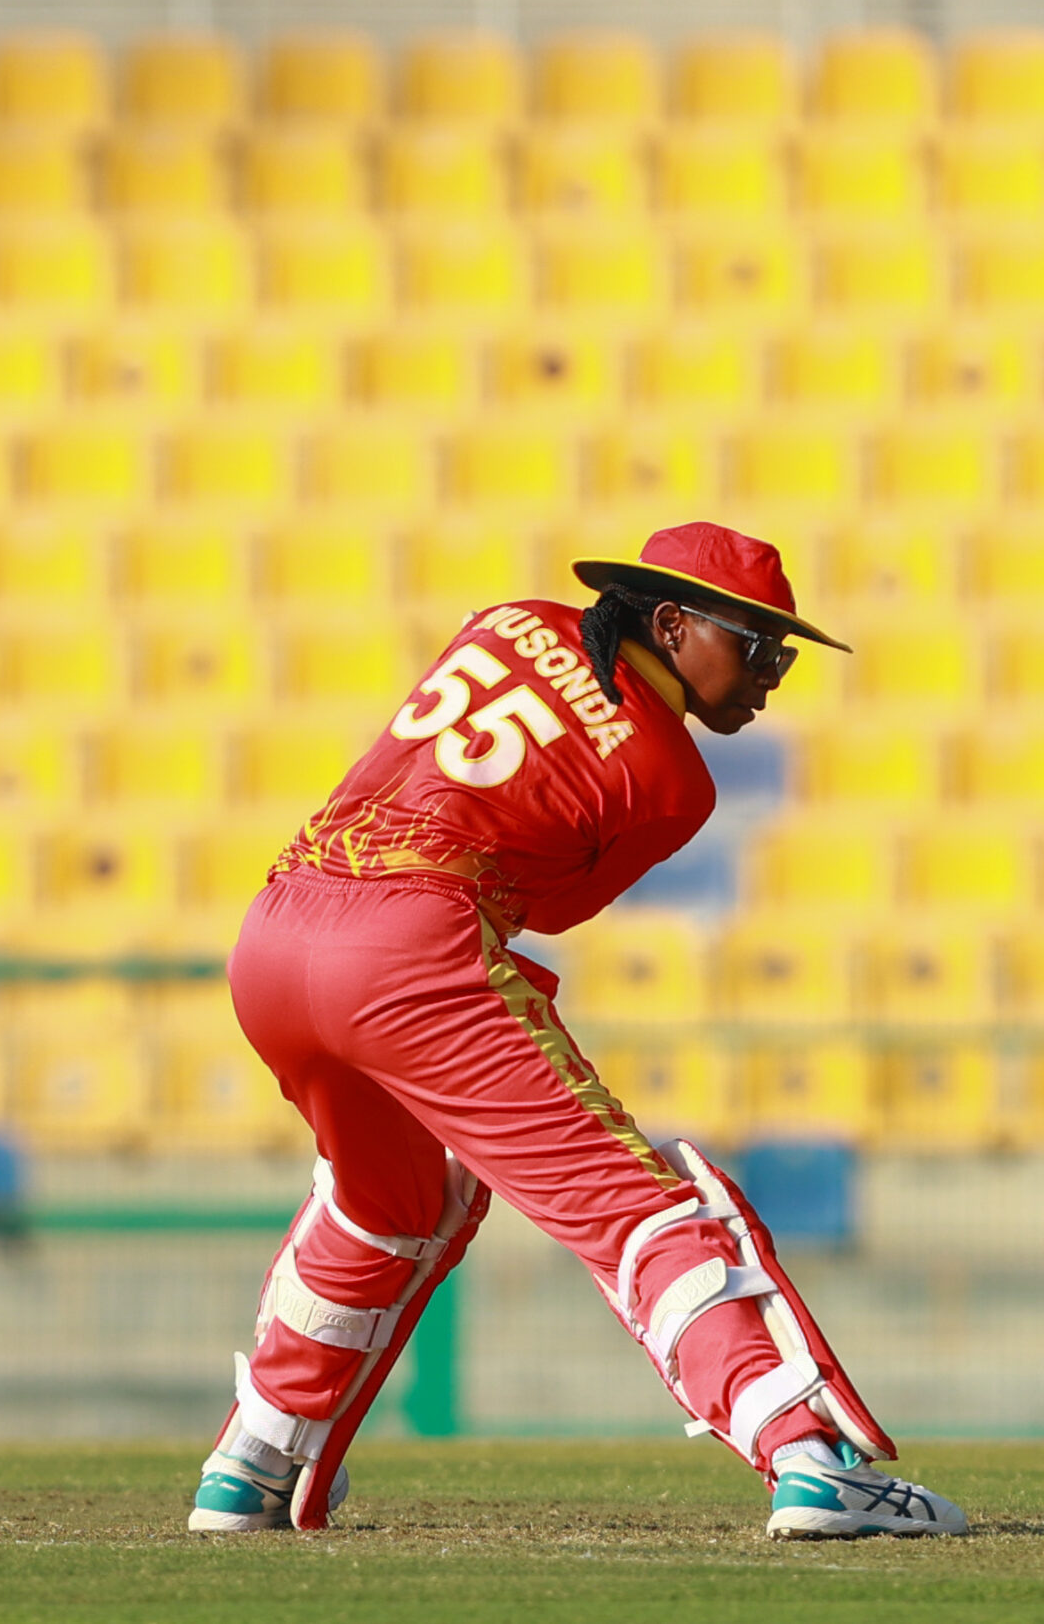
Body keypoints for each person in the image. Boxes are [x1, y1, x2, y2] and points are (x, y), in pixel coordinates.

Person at [187, 522, 967, 1540]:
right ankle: (808, 1457)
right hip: (408, 947)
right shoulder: (672, 777)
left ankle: (252, 1460)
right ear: (672, 621)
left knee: (392, 1202)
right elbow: (552, 910)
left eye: (781, 652)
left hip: (275, 932)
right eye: (755, 644)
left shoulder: (505, 618)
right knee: (635, 1208)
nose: (771, 675)